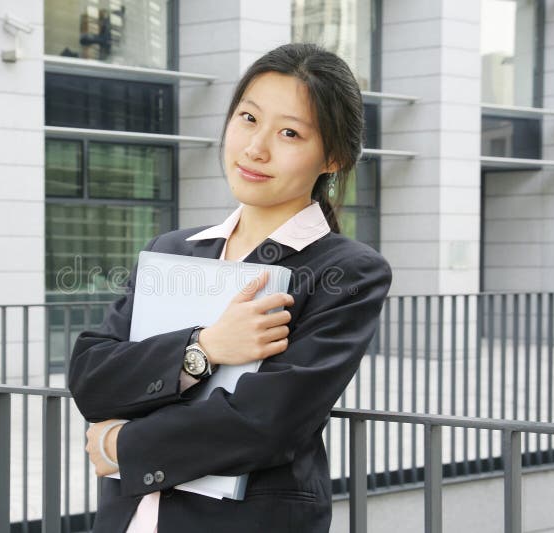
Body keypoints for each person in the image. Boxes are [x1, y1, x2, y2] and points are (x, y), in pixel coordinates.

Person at [68, 42, 392, 533]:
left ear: (334, 157)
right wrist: (204, 347)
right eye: (247, 118)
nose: (255, 148)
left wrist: (119, 446)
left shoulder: (346, 270)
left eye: (289, 132)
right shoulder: (175, 250)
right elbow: (93, 376)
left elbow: (265, 424)